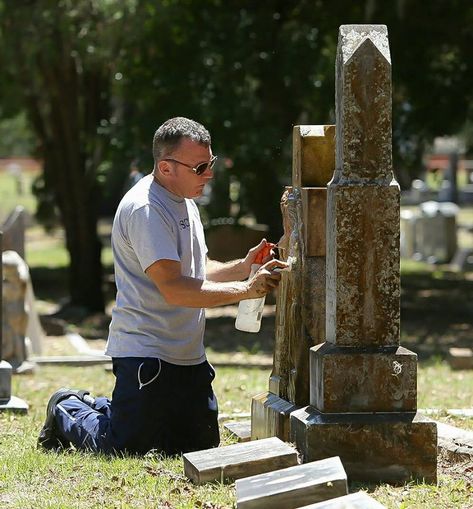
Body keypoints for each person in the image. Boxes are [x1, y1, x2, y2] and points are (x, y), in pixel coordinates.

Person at [38, 117, 287, 456]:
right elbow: (174, 288)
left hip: (187, 357)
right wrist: (245, 290)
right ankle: (66, 406)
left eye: (209, 162)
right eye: (200, 167)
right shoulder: (146, 208)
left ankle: (114, 408)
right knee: (123, 447)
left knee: (198, 447)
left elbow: (197, 270)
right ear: (167, 167)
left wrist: (241, 268)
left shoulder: (185, 200)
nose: (209, 174)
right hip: (146, 354)